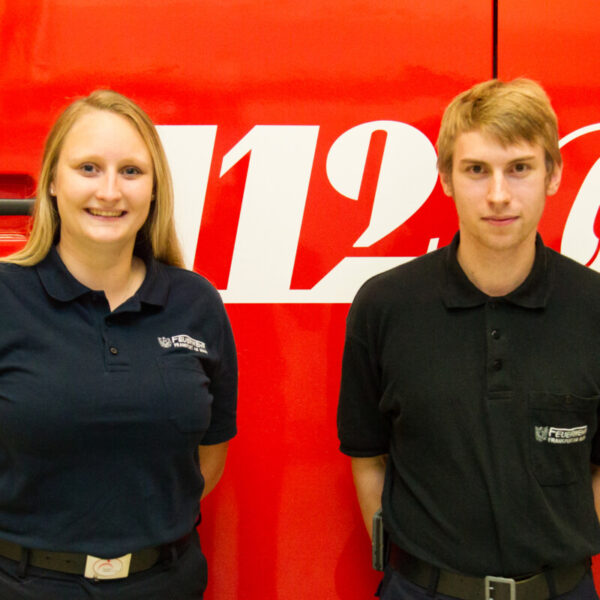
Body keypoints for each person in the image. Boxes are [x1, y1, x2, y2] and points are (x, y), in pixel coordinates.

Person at [337, 78, 600, 600]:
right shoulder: (385, 306)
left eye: (519, 168)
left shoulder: (593, 307)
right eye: (477, 170)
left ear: (553, 174)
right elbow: (367, 457)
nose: (498, 194)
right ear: (446, 179)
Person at [0, 90, 237, 599]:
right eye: (88, 167)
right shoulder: (5, 297)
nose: (109, 191)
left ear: (154, 191)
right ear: (52, 184)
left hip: (165, 583)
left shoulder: (195, 302)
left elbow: (207, 457)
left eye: (131, 171)